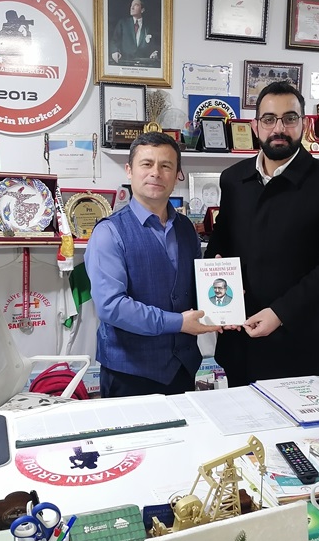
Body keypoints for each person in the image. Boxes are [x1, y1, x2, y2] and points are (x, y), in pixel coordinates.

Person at [205, 81, 319, 386]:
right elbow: (220, 243)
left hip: (297, 346)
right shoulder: (234, 179)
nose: (279, 128)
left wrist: (279, 313)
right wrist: (217, 290)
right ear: (255, 126)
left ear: (304, 124)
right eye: (269, 119)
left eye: (289, 118)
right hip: (240, 340)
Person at [85, 132, 221, 398]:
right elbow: (111, 307)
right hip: (129, 375)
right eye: (147, 164)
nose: (156, 173)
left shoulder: (186, 228)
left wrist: (222, 289)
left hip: (182, 369)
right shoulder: (108, 232)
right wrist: (178, 323)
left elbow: (189, 291)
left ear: (178, 175)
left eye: (166, 165)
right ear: (129, 170)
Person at [109, 0, 159, 66]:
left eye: (136, 5)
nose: (132, 8)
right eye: (131, 5)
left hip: (144, 64)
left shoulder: (149, 26)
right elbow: (114, 41)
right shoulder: (123, 23)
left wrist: (155, 52)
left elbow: (155, 44)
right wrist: (115, 51)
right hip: (125, 63)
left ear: (142, 10)